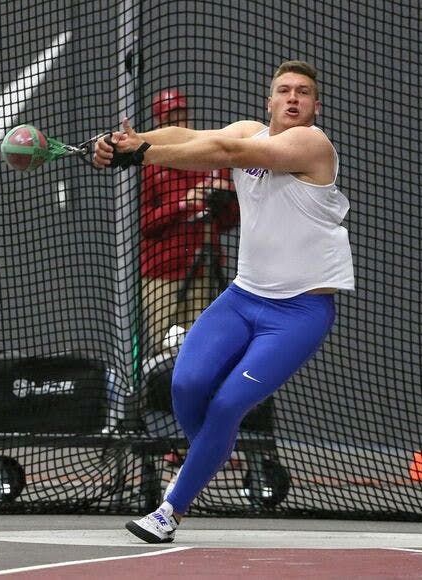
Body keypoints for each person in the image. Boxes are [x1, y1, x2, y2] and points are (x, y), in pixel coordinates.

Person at [93, 60, 355, 542]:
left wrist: (142, 156)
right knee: (186, 385)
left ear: (316, 106)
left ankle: (170, 511)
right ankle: (210, 456)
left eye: (303, 92)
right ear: (270, 101)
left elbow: (224, 151)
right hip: (241, 299)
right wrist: (128, 142)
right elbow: (187, 136)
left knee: (230, 402)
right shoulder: (250, 130)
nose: (293, 98)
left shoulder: (311, 145)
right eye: (284, 90)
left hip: (297, 314)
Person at [140, 88, 238, 356]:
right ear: (159, 123)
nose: (179, 122)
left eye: (182, 114)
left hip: (204, 269)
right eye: (172, 117)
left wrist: (226, 197)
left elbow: (231, 220)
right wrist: (182, 204)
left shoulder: (207, 159)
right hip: (162, 275)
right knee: (168, 352)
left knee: (204, 350)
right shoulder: (151, 164)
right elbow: (145, 224)